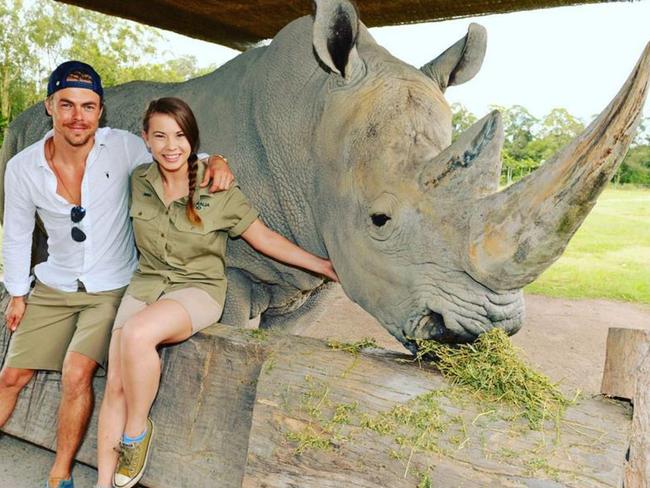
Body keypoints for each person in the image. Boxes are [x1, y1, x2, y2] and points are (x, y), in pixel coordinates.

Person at [0, 61, 235, 488]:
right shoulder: (21, 168)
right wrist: (18, 292)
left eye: (88, 106)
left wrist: (215, 159)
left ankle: (60, 475)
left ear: (100, 112)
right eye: (67, 104)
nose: (77, 116)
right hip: (54, 281)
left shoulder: (123, 147)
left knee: (77, 372)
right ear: (49, 105)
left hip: (111, 286)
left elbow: (174, 153)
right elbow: (15, 235)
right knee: (10, 377)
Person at [95, 97, 338, 488]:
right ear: (146, 139)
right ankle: (102, 483)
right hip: (147, 284)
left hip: (197, 291)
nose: (170, 145)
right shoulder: (138, 180)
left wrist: (323, 266)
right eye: (160, 136)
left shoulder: (216, 184)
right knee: (116, 382)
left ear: (191, 140)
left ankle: (136, 434)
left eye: (179, 135)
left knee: (138, 335)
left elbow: (265, 238)